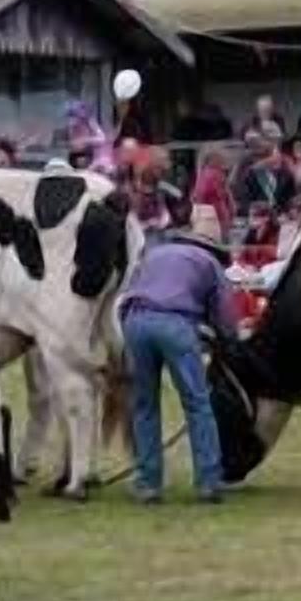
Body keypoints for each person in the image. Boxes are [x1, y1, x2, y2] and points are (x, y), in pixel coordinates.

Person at [116, 204, 238, 505]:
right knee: (197, 403)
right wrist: (228, 343)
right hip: (176, 324)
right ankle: (208, 481)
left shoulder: (156, 253)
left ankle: (148, 483)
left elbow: (131, 289)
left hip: (135, 320)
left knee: (145, 404)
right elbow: (225, 319)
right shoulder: (210, 264)